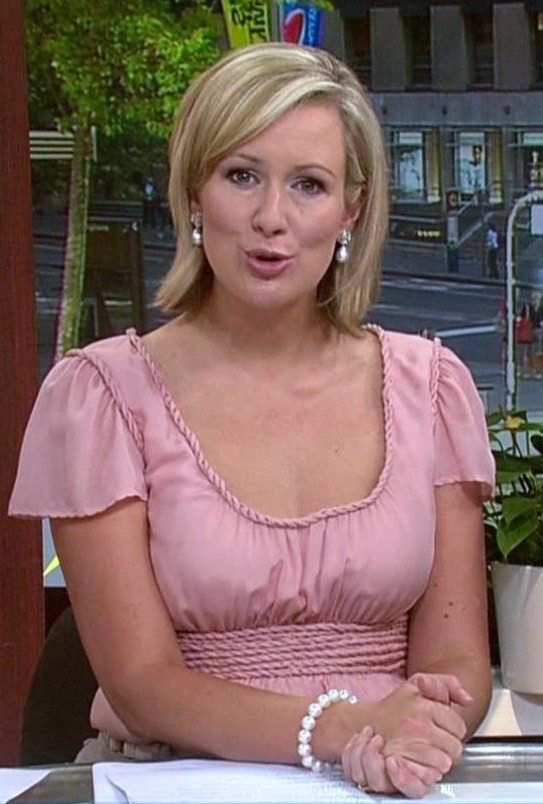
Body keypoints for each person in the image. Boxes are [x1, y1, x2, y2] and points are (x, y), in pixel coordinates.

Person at [9, 43, 495, 798]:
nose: (272, 218)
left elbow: (456, 662)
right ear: (193, 193)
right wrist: (341, 728)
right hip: (172, 780)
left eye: (309, 185)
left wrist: (413, 738)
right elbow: (141, 682)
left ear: (350, 210)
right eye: (241, 176)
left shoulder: (432, 388)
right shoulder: (101, 396)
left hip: (387, 782)